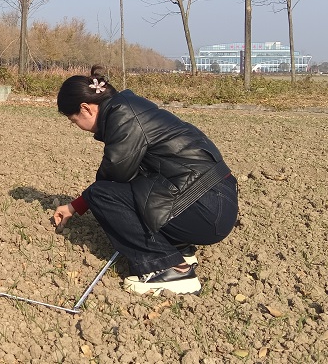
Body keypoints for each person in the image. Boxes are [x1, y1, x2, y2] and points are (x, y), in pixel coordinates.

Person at [52, 66, 238, 295]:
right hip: (212, 199)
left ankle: (168, 267)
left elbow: (113, 177)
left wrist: (78, 204)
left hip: (206, 208)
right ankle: (177, 248)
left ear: (85, 108)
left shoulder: (123, 115)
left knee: (101, 195)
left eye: (74, 121)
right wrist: (78, 204)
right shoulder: (129, 107)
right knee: (128, 187)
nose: (78, 127)